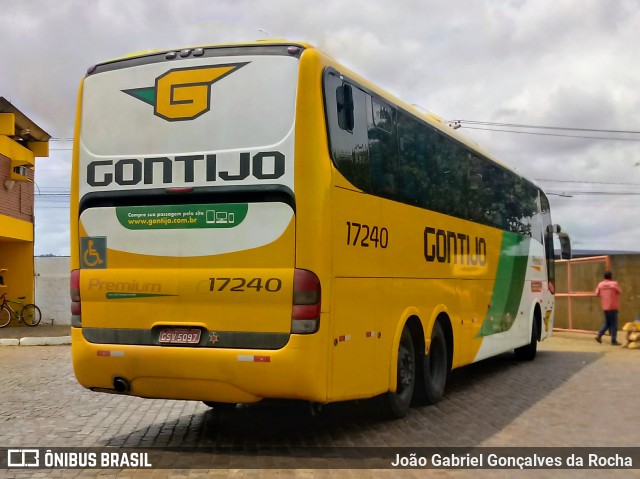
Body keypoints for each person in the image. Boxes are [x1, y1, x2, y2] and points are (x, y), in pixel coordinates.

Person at [595, 271, 622, 345]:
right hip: (613, 306)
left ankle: (599, 336)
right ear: (611, 277)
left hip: (605, 306)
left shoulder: (600, 284)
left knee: (607, 323)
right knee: (614, 324)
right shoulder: (614, 284)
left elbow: (597, 293)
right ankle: (613, 340)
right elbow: (620, 291)